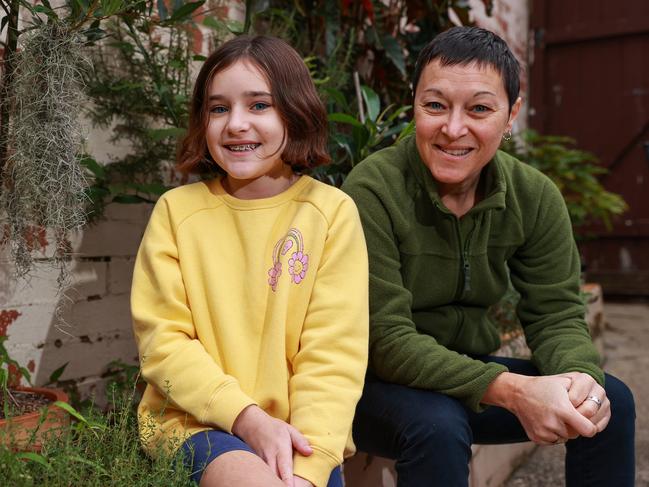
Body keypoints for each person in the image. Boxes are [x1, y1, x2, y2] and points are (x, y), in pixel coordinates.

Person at [341, 26, 635, 486]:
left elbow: (556, 313)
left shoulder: (533, 196)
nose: (453, 129)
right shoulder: (373, 190)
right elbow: (387, 342)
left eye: (479, 108)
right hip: (376, 390)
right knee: (437, 425)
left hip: (469, 381)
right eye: (435, 105)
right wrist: (515, 391)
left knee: (607, 403)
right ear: (413, 103)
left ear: (511, 114)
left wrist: (578, 379)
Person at [131, 35, 368, 487]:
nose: (236, 123)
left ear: (295, 112)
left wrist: (313, 463)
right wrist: (247, 419)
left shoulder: (331, 213)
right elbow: (163, 344)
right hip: (194, 424)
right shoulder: (178, 212)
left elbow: (333, 354)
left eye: (259, 105)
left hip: (302, 432)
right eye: (218, 109)